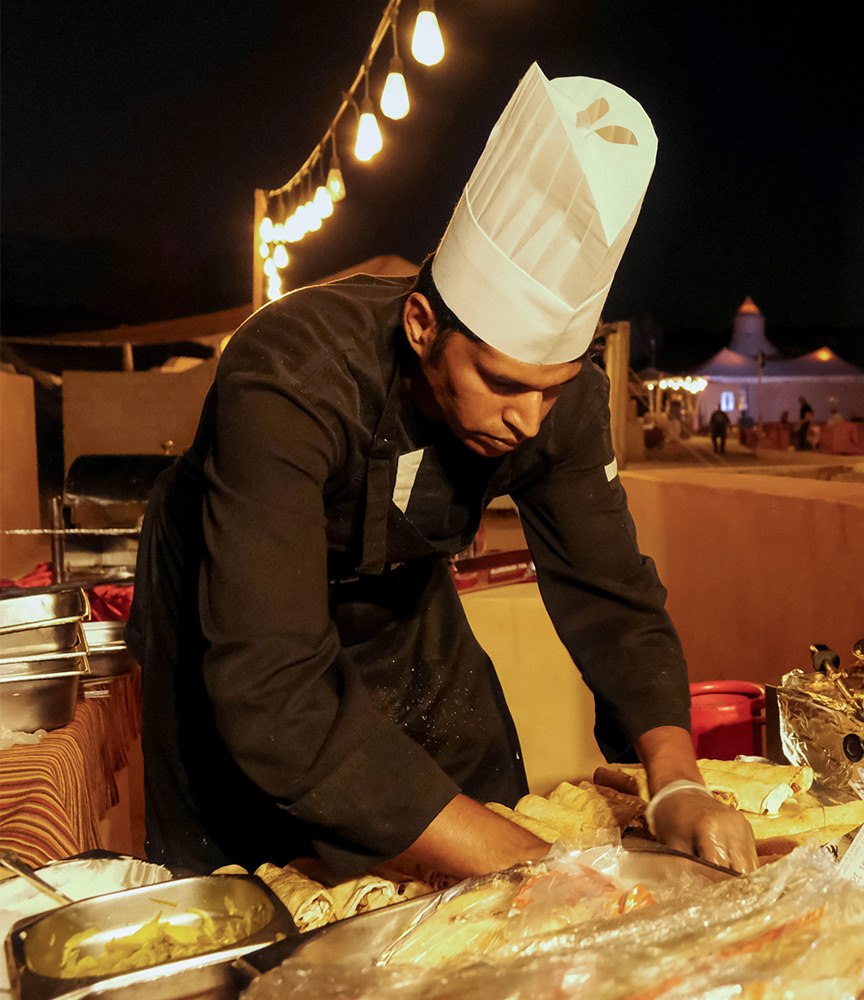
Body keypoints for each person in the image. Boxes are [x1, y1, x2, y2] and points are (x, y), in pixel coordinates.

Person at [128, 64, 755, 881]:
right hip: (236, 619)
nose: (528, 418)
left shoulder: (551, 399)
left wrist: (674, 782)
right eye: (501, 383)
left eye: (551, 388)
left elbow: (614, 597)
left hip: (402, 610)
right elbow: (273, 682)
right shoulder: (292, 373)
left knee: (481, 827)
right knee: (264, 890)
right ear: (422, 325)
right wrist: (533, 871)